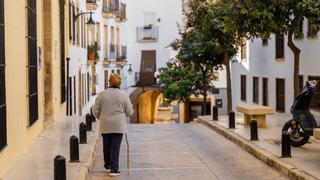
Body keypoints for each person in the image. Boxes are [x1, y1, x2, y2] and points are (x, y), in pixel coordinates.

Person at [91, 73, 133, 176]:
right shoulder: (124, 95)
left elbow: (94, 110)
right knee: (115, 146)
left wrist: (99, 117)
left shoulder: (102, 94)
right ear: (119, 83)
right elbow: (129, 112)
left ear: (109, 82)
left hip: (105, 123)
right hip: (118, 125)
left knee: (106, 144)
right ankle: (114, 169)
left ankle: (107, 165)